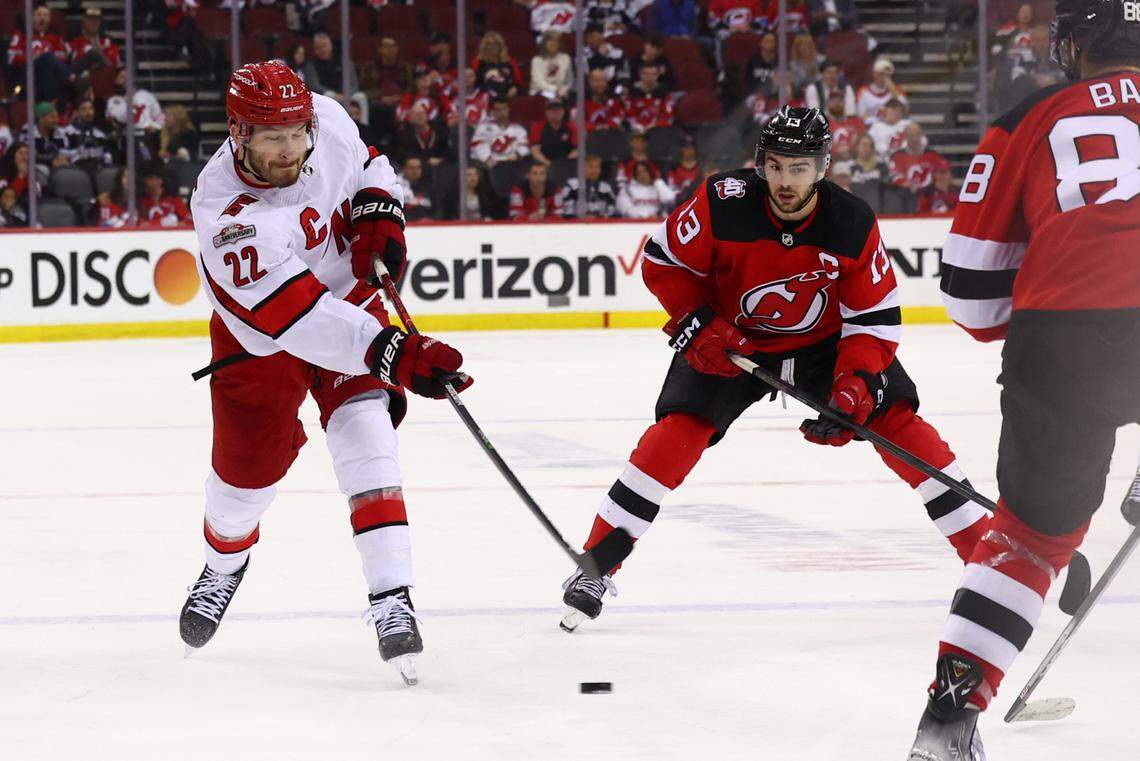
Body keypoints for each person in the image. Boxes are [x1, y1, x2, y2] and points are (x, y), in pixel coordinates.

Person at [559, 107, 991, 634]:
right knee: (678, 433)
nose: (786, 181)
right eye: (778, 166)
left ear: (823, 167)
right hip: (730, 340)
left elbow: (874, 319)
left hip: (825, 344)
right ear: (761, 164)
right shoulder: (722, 203)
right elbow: (663, 262)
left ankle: (988, 562)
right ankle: (597, 563)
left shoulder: (851, 221)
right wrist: (698, 323)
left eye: (800, 168)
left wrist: (854, 385)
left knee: (897, 422)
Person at [179, 61, 473, 687]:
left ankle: (392, 596)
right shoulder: (226, 212)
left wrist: (379, 214)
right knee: (242, 485)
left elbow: (370, 166)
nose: (291, 149)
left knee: (369, 441)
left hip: (352, 309)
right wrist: (395, 351)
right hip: (264, 339)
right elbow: (301, 321)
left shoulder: (327, 118)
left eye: (296, 133)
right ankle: (222, 563)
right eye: (271, 138)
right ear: (238, 135)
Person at [908, 3, 1140, 758]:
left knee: (1030, 542)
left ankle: (949, 717)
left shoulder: (1029, 117)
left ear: (1075, 44)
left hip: (1061, 336)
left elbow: (971, 298)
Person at [470, 97, 531, 167]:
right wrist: (488, 160)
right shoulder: (483, 127)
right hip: (488, 166)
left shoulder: (519, 129)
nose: (501, 112)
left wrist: (516, 156)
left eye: (504, 109)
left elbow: (524, 147)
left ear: (508, 110)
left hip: (511, 165)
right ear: (493, 111)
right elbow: (478, 146)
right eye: (498, 110)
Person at [62, 98, 114, 174]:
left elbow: (107, 156)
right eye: (84, 109)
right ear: (77, 112)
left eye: (91, 108)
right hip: (74, 172)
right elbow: (62, 157)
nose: (88, 112)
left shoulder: (99, 134)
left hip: (98, 171)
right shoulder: (66, 132)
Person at [559, 154, 618, 218]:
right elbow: (567, 213)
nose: (595, 170)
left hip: (600, 225)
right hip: (577, 225)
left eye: (597, 167)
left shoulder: (606, 188)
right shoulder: (572, 186)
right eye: (591, 167)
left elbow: (612, 212)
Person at [68, 7, 121, 77]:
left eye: (96, 20)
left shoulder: (107, 42)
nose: (93, 22)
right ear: (84, 20)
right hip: (81, 80)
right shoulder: (75, 41)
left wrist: (101, 53)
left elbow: (114, 64)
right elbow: (72, 65)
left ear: (100, 22)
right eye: (90, 19)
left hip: (102, 79)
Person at [472, 32, 524, 99]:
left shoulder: (510, 62)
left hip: (509, 97)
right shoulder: (478, 63)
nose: (493, 47)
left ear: (500, 46)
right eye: (489, 45)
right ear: (484, 47)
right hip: (487, 98)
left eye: (496, 44)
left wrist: (515, 88)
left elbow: (518, 83)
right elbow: (476, 85)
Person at [857, 57, 908, 123]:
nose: (885, 77)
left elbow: (904, 107)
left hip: (892, 124)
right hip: (872, 125)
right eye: (882, 74)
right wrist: (877, 122)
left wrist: (892, 89)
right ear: (874, 74)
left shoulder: (896, 89)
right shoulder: (863, 91)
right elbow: (861, 114)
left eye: (888, 75)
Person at [529, 99, 578, 165]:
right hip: (544, 163)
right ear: (546, 112)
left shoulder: (572, 127)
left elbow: (577, 149)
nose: (556, 112)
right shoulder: (537, 127)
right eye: (553, 110)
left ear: (563, 111)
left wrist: (565, 162)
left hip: (566, 163)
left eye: (559, 109)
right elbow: (535, 151)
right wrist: (549, 164)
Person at [530, 30, 574, 99]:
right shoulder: (537, 60)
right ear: (544, 43)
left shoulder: (566, 58)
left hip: (561, 93)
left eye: (556, 41)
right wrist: (556, 90)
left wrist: (564, 89)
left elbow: (569, 80)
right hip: (540, 92)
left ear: (559, 43)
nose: (553, 43)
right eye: (550, 40)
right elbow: (539, 82)